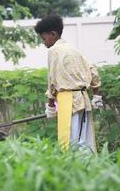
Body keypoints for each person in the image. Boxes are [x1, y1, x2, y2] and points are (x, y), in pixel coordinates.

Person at [34, 14, 103, 154]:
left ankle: (71, 171)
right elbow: (93, 71)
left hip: (67, 100)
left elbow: (52, 81)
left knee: (69, 141)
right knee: (83, 140)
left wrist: (51, 106)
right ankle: (89, 170)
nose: (44, 42)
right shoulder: (74, 49)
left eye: (44, 38)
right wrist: (96, 96)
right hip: (83, 99)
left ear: (53, 34)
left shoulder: (54, 51)